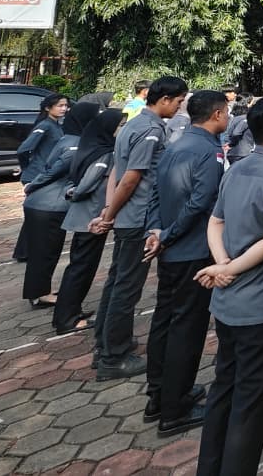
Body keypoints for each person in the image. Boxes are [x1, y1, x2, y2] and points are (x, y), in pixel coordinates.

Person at [193, 94, 263, 476]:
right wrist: (231, 269)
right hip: (262, 305)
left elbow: (216, 222)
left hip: (228, 302)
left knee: (224, 389)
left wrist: (222, 265)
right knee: (252, 401)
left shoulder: (237, 168)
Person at [90, 75, 189, 381]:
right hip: (137, 219)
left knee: (116, 280)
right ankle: (114, 356)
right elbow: (131, 177)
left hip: (125, 216)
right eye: (178, 101)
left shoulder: (132, 123)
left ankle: (105, 343)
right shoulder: (149, 130)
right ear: (164, 100)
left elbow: (116, 172)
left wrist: (109, 210)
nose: (179, 106)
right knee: (127, 287)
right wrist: (111, 214)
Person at [142, 90, 228, 435]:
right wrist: (170, 234)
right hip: (192, 251)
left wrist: (156, 230)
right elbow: (201, 202)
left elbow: (155, 193)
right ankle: (174, 410)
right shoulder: (209, 151)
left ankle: (160, 395)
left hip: (170, 250)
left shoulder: (175, 143)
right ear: (218, 114)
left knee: (164, 321)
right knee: (187, 330)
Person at [54, 107, 124, 335]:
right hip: (90, 219)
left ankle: (71, 311)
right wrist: (75, 193)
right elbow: (87, 183)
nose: (120, 131)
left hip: (86, 217)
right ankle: (67, 319)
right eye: (118, 127)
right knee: (81, 268)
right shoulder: (105, 154)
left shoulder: (93, 147)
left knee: (80, 266)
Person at [21, 101, 95, 307]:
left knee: (41, 252)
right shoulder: (76, 144)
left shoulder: (67, 137)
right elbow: (54, 171)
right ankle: (40, 294)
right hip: (49, 205)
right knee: (46, 252)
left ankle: (38, 290)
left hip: (42, 204)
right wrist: (31, 185)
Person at [12, 93, 69, 262]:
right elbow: (23, 149)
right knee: (36, 216)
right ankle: (25, 252)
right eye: (60, 105)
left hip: (45, 174)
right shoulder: (45, 125)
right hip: (37, 175)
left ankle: (25, 251)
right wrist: (26, 169)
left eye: (65, 105)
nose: (64, 108)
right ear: (47, 108)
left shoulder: (57, 125)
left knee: (35, 216)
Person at [225, 99, 254, 165]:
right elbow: (236, 132)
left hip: (233, 153)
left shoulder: (233, 119)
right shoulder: (245, 119)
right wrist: (232, 144)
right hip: (242, 152)